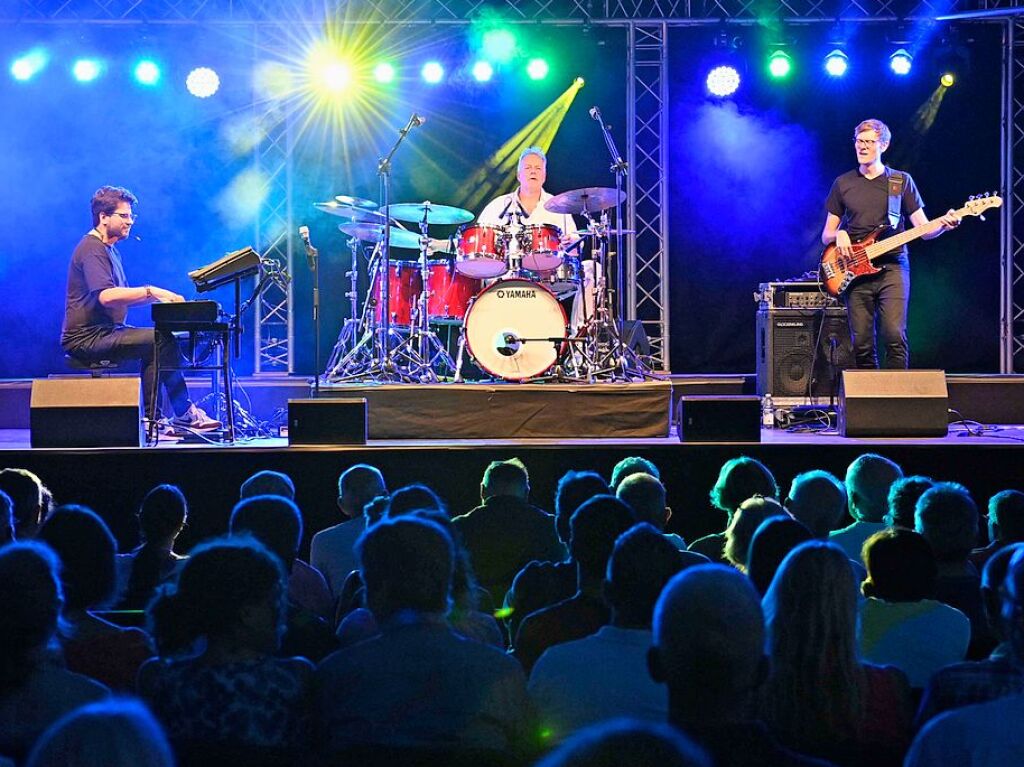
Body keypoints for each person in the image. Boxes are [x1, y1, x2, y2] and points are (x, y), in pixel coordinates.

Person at [60, 185, 218, 428]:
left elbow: (118, 298)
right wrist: (152, 291)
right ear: (103, 217)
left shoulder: (110, 250)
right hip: (86, 338)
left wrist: (160, 300)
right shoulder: (92, 249)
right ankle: (183, 412)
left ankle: (152, 420)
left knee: (158, 341)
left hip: (107, 332)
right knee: (159, 340)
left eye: (131, 216)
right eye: (124, 216)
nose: (130, 221)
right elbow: (107, 297)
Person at [821, 119, 960, 369]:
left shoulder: (900, 181)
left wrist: (943, 224)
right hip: (854, 271)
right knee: (861, 342)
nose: (862, 147)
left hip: (893, 268)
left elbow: (924, 230)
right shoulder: (843, 184)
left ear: (883, 145)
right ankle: (867, 403)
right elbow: (826, 234)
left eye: (868, 142)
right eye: (858, 141)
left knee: (894, 336)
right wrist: (839, 234)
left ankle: (896, 400)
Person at [477, 147, 594, 327]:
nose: (533, 171)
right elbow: (479, 245)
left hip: (549, 277)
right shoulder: (498, 206)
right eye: (528, 167)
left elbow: (575, 251)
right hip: (507, 278)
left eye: (538, 168)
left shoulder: (558, 207)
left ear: (544, 176)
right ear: (518, 175)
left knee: (593, 268)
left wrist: (572, 246)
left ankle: (580, 336)